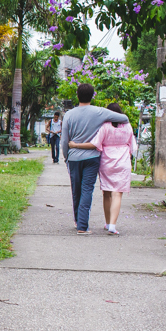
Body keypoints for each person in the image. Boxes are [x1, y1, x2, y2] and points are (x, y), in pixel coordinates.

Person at [60, 84, 130, 235]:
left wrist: (66, 157)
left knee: (76, 190)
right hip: (92, 157)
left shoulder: (69, 115)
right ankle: (82, 226)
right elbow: (124, 118)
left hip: (73, 157)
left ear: (77, 95)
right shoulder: (99, 112)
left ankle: (78, 221)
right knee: (87, 190)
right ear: (92, 96)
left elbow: (64, 140)